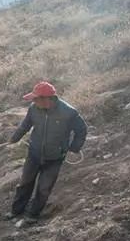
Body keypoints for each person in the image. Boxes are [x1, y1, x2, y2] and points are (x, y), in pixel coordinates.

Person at [6, 81, 88, 224]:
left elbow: (81, 130)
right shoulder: (33, 109)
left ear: (46, 99)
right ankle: (16, 211)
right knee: (25, 182)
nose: (33, 101)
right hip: (34, 154)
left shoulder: (69, 112)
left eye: (35, 98)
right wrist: (14, 138)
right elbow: (25, 125)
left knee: (44, 188)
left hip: (55, 158)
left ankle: (32, 214)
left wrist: (74, 148)